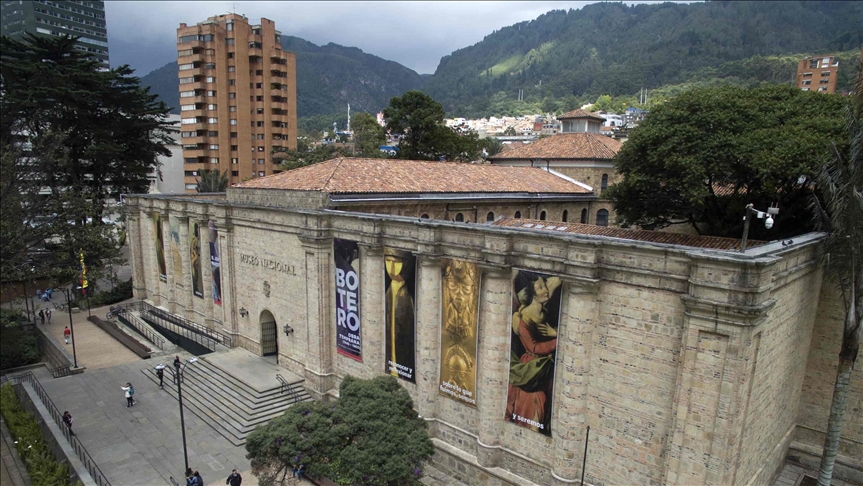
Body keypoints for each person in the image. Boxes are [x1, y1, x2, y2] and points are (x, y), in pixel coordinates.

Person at [505, 273, 561, 435]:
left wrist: (555, 333)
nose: (545, 290)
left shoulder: (545, 312)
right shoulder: (523, 319)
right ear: (531, 294)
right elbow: (534, 348)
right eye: (540, 287)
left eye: (544, 285)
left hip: (546, 369)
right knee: (535, 405)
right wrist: (558, 339)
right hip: (531, 371)